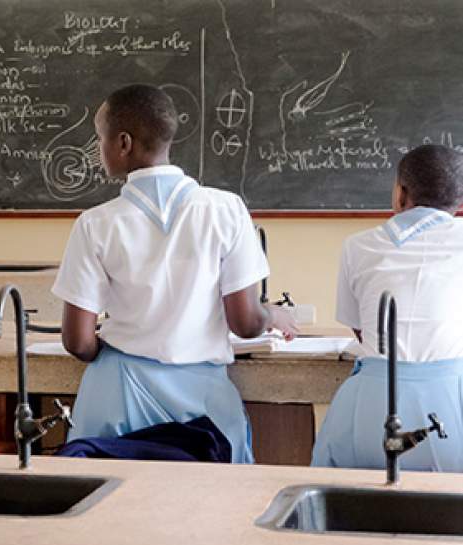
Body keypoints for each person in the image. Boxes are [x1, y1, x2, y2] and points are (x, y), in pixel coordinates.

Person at [52, 84, 298, 463]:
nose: (97, 150)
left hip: (117, 400)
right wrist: (274, 315)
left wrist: (119, 350)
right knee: (206, 512)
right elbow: (246, 322)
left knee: (106, 510)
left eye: (98, 139)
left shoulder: (95, 223)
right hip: (203, 406)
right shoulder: (226, 209)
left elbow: (78, 342)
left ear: (122, 143)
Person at [312, 144, 463, 471]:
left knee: (348, 506)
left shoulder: (358, 246)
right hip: (451, 409)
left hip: (368, 410)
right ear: (459, 201)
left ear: (400, 193)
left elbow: (360, 329)